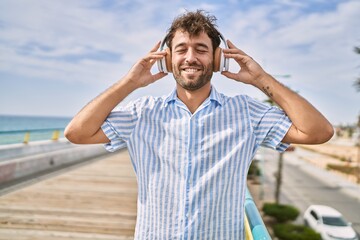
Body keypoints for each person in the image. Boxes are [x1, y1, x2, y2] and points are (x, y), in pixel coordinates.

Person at [65, 10, 334, 240]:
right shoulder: (142, 113)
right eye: (181, 49)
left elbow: (318, 132)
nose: (190, 57)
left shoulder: (246, 112)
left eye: (201, 49)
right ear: (168, 58)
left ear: (217, 59)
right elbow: (77, 133)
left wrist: (259, 78)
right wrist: (131, 82)